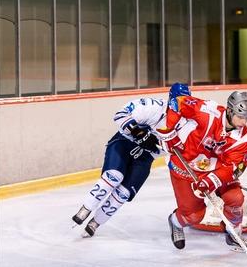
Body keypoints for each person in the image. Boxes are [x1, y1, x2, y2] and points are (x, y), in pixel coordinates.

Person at [71, 83, 191, 237]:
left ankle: (96, 222)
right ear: (170, 98)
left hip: (145, 157)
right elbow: (120, 115)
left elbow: (179, 150)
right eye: (179, 101)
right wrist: (137, 131)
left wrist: (161, 145)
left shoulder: (185, 124)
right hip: (124, 143)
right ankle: (86, 208)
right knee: (114, 176)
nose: (181, 106)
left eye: (186, 102)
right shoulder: (153, 107)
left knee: (123, 193)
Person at [161, 91, 247, 251]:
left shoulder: (245, 139)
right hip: (185, 165)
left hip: (214, 170)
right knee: (193, 216)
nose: (244, 122)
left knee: (235, 198)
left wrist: (211, 180)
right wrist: (170, 132)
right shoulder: (208, 110)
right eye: (240, 116)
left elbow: (233, 169)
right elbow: (177, 102)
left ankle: (234, 233)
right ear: (230, 110)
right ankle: (175, 221)